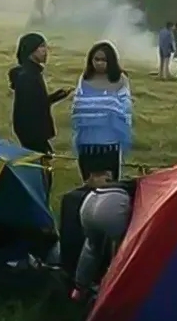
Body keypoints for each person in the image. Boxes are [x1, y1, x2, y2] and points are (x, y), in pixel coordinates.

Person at [9, 32, 68, 192]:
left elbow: (36, 103)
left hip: (31, 132)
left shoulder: (30, 73)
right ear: (30, 51)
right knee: (42, 173)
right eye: (41, 47)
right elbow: (28, 109)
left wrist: (57, 96)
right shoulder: (28, 76)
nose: (45, 51)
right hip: (33, 132)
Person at [70, 41, 133, 180]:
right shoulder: (84, 79)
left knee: (110, 184)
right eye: (96, 59)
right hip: (86, 143)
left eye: (103, 60)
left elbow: (125, 109)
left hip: (110, 143)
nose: (99, 63)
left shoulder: (120, 80)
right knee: (89, 182)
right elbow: (77, 106)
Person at [72, 170, 133, 301]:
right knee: (121, 253)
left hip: (90, 200)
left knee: (91, 247)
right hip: (113, 204)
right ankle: (113, 293)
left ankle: (79, 290)